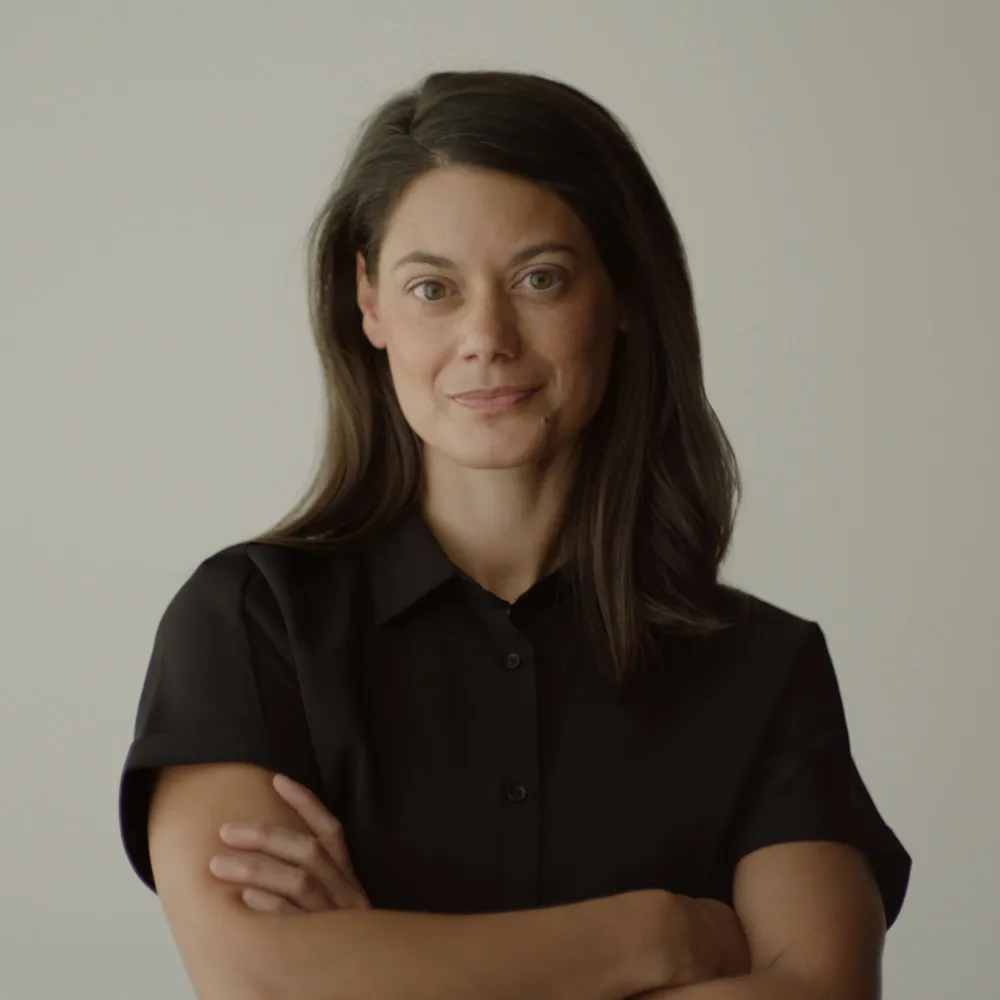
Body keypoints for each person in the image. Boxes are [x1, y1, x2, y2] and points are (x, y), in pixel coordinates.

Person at [118, 69, 911, 1000]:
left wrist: (375, 964)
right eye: (432, 288)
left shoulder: (765, 667)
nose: (486, 336)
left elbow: (817, 994)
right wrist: (657, 935)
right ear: (368, 303)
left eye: (540, 278)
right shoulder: (248, 625)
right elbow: (261, 983)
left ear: (620, 292)